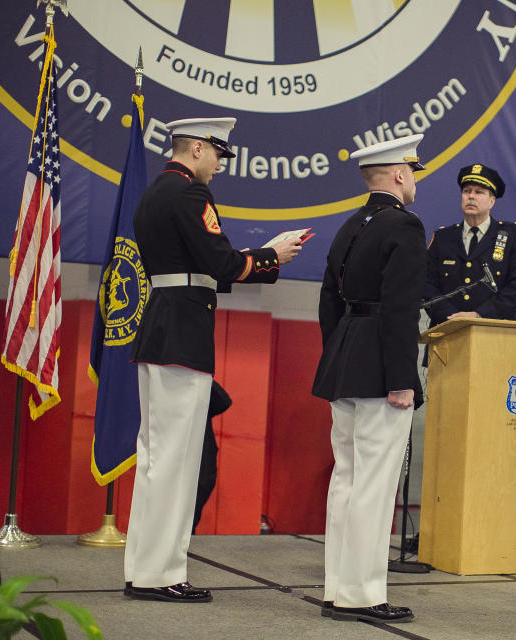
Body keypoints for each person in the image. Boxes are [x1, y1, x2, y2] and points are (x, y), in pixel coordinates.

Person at [125, 117, 302, 603]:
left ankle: (143, 567)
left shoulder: (154, 193)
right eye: (218, 155)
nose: (220, 165)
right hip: (183, 335)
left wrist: (258, 258)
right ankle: (161, 574)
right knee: (178, 461)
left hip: (162, 328)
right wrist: (271, 255)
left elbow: (196, 263)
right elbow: (219, 262)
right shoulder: (190, 196)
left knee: (156, 458)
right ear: (198, 148)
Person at [311, 134, 427, 624]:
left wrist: (338, 353)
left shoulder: (349, 225)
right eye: (413, 170)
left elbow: (327, 302)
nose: (414, 178)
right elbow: (401, 308)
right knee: (374, 487)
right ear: (400, 173)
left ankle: (337, 587)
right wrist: (403, 377)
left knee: (346, 478)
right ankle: (362, 594)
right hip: (382, 364)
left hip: (344, 358)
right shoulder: (404, 225)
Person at [423, 163, 516, 325]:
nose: (471, 196)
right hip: (447, 330)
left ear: (492, 201)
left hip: (494, 332)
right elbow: (427, 284)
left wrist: (480, 315)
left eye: (479, 192)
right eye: (467, 191)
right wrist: (452, 317)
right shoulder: (442, 237)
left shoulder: (512, 236)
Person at [192, 380, 232, 532]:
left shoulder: (201, 383)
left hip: (202, 449)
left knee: (200, 487)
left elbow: (224, 401)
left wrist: (200, 378)